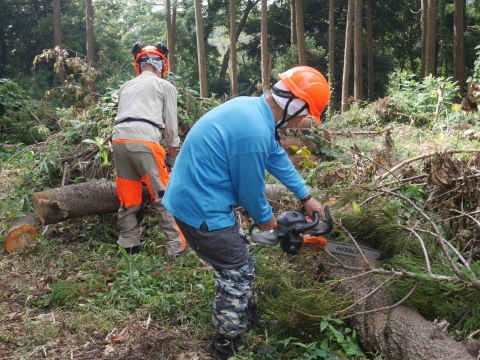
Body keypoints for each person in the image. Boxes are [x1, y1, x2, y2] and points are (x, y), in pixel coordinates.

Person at [163, 66, 331, 359]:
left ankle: (248, 318)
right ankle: (225, 345)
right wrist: (268, 220)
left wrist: (306, 197)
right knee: (237, 273)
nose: (305, 121)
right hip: (202, 208)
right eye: (307, 114)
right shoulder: (253, 130)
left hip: (198, 197)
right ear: (295, 104)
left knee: (240, 260)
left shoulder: (252, 110)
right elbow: (249, 191)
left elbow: (275, 155)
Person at [112, 41, 186, 257]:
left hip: (119, 141)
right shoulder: (165, 86)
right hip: (145, 141)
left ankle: (129, 245)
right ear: (162, 64)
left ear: (139, 64)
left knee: (128, 195)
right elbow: (171, 127)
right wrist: (173, 157)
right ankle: (176, 246)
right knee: (163, 195)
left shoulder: (126, 86)